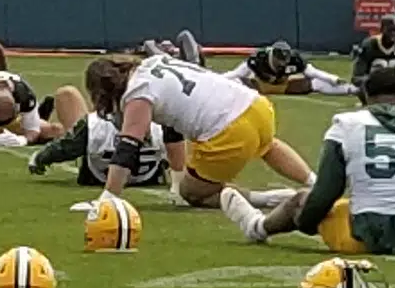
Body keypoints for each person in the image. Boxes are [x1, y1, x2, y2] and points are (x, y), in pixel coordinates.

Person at [219, 61, 395, 254]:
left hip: (359, 237)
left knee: (302, 198)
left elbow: (326, 193)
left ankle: (257, 227)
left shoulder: (346, 125)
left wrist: (305, 223)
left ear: (365, 95)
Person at [83, 47, 313, 206]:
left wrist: (109, 196)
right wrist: (175, 179)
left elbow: (127, 148)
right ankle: (314, 183)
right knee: (268, 146)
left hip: (228, 129)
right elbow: (171, 128)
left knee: (192, 192)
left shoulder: (138, 92)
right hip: (256, 105)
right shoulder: (154, 63)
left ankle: (268, 199)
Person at [27, 87, 172, 189]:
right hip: (149, 179)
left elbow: (65, 148)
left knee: (67, 95)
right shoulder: (162, 122)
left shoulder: (93, 124)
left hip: (96, 179)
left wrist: (39, 158)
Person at [226, 41, 353, 97]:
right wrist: (215, 79)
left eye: (285, 60)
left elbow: (312, 72)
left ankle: (352, 90)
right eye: (280, 60)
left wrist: (333, 79)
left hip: (284, 86)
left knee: (316, 83)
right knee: (235, 82)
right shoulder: (259, 58)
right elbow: (236, 73)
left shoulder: (294, 59)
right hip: (259, 86)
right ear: (273, 56)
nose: (282, 63)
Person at [350, 15, 395, 94]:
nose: (393, 34)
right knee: (360, 89)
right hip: (374, 89)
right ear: (382, 30)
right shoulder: (369, 45)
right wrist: (377, 79)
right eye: (390, 30)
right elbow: (356, 78)